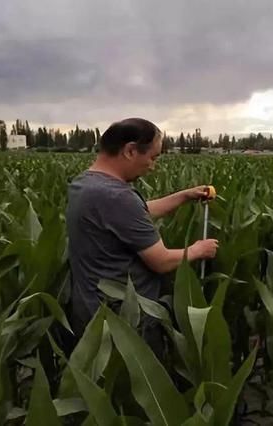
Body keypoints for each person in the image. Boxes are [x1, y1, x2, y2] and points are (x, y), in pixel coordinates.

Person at [63, 117, 219, 356]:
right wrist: (200, 249)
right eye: (153, 157)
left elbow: (134, 215)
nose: (153, 165)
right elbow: (162, 261)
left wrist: (184, 195)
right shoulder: (117, 197)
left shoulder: (86, 183)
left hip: (91, 310)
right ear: (130, 150)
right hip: (125, 319)